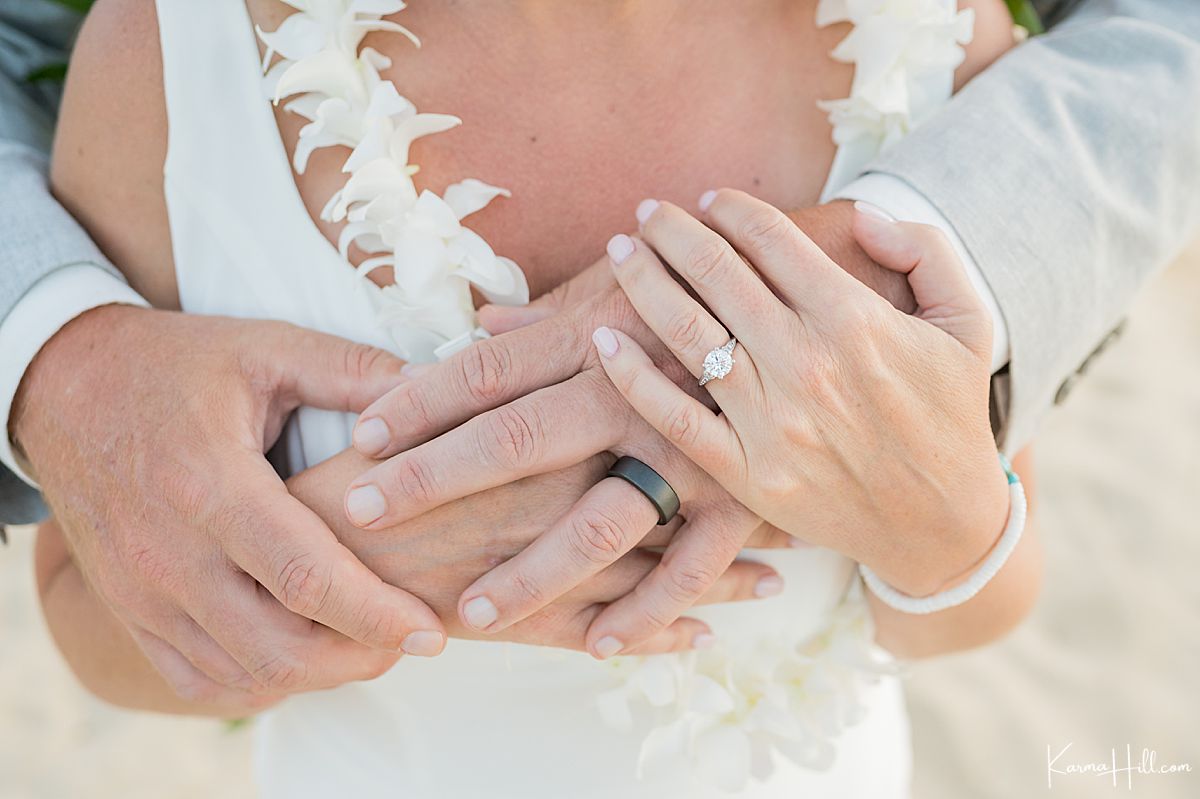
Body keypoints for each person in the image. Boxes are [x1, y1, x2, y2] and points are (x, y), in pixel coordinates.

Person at [2, 0, 1197, 795]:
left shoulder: (923, 33)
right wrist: (360, 561)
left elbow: (983, 592)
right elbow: (84, 608)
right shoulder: (173, 53)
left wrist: (939, 522)